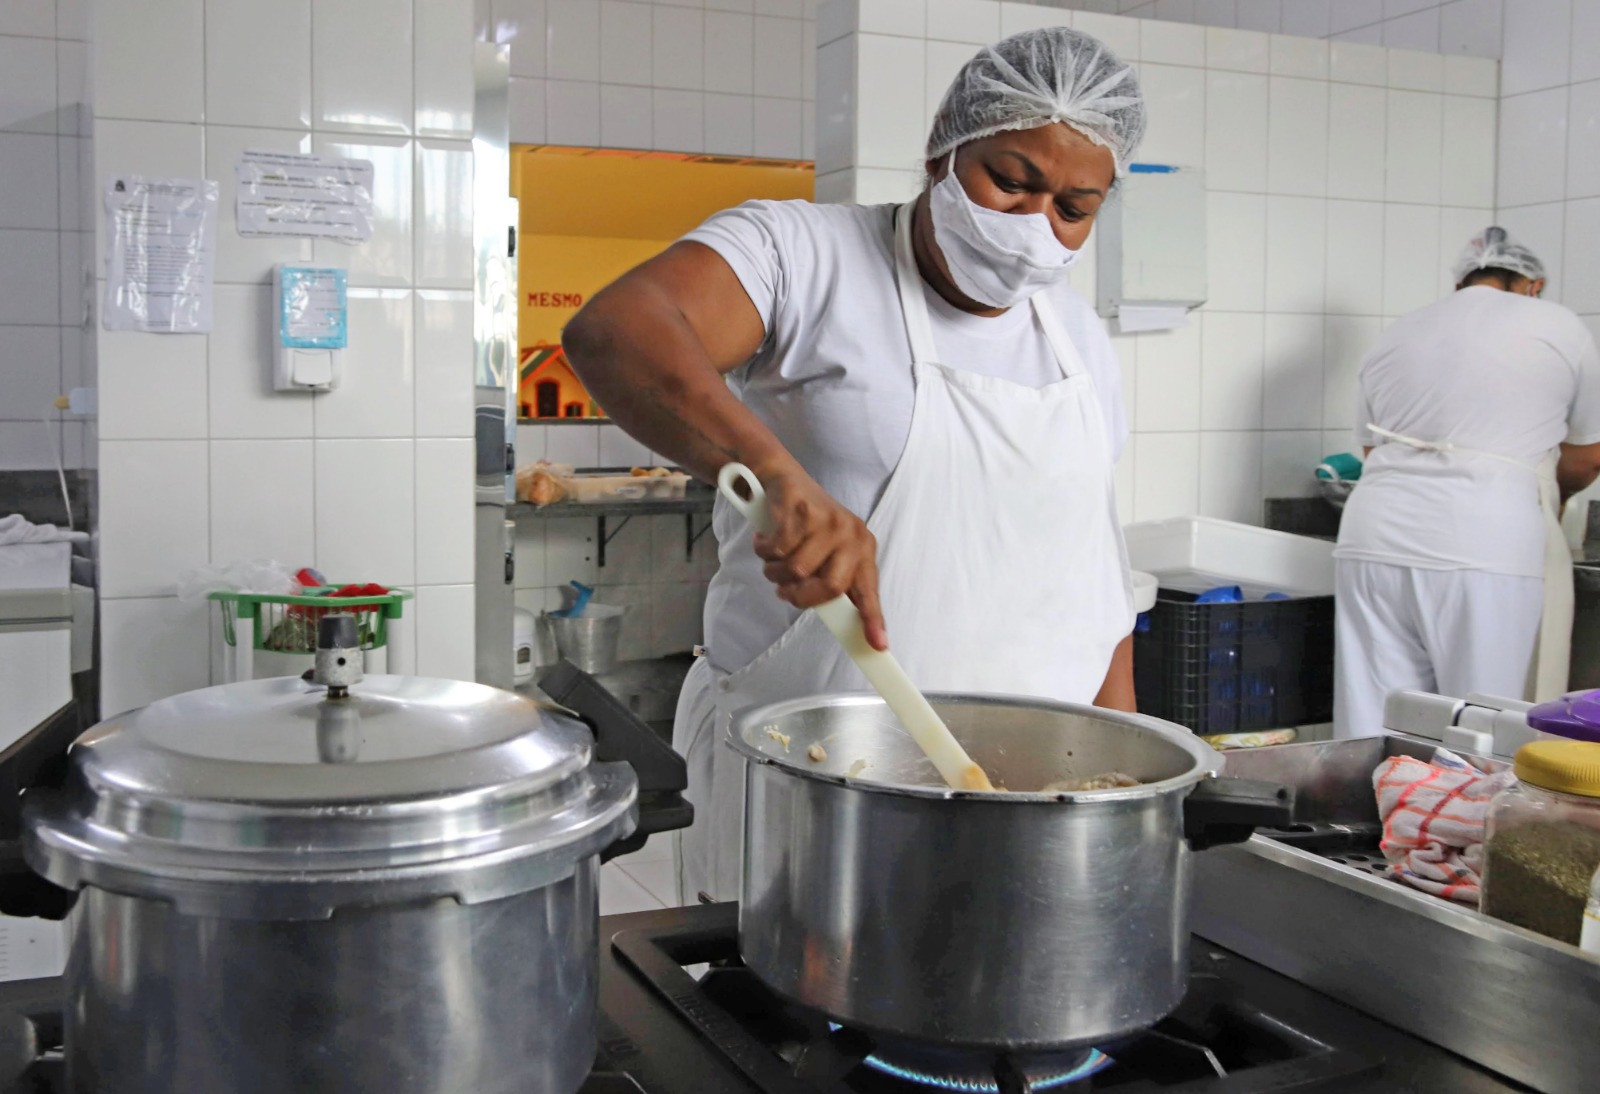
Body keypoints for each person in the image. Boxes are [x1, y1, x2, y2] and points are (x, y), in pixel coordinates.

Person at [563, 27, 1145, 901]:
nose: (1035, 227)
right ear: (943, 150)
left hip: (1025, 796)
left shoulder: (1077, 341)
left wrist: (1125, 771)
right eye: (1011, 181)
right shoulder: (808, 255)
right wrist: (780, 480)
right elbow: (618, 330)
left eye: (1073, 207)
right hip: (814, 776)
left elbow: (1094, 583)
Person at [1333, 228, 1600, 738]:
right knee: (1483, 726)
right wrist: (1551, 502)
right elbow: (1587, 458)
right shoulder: (1558, 323)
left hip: (1372, 538)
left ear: (1462, 282)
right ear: (1532, 283)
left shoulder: (1402, 329)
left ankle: (1371, 815)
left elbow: (1372, 452)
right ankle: (1467, 818)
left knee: (1377, 725)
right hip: (1485, 541)